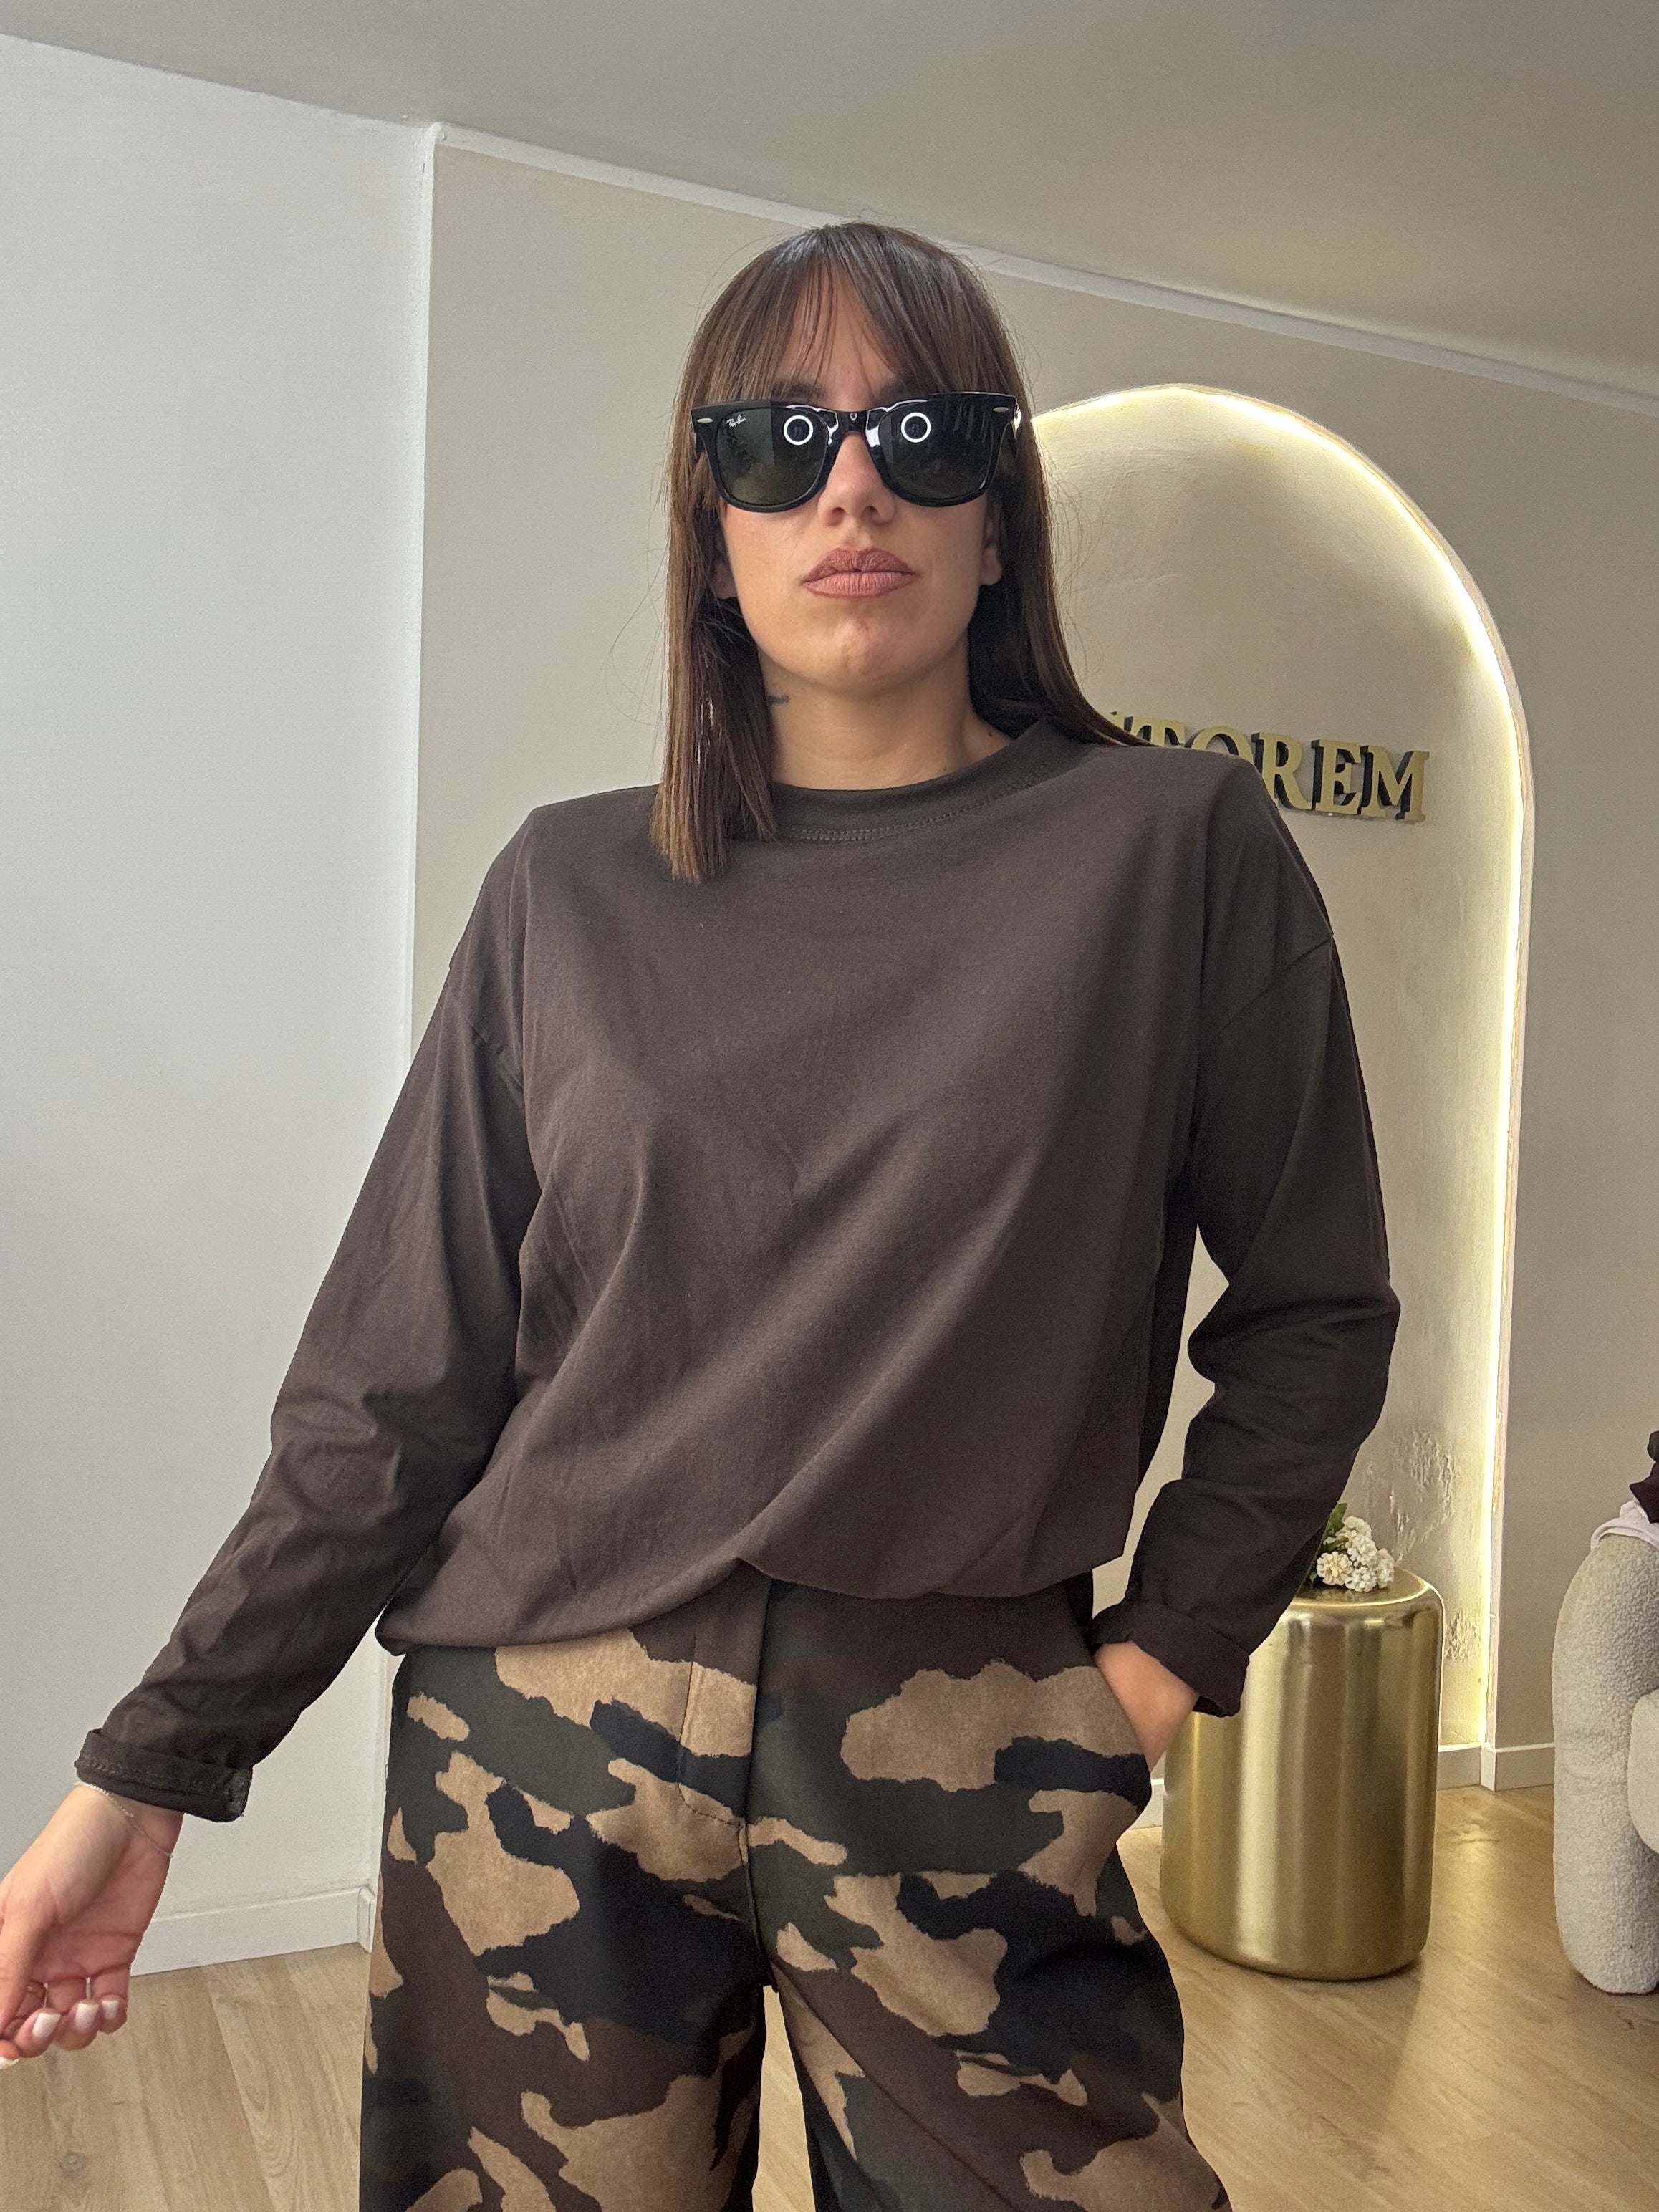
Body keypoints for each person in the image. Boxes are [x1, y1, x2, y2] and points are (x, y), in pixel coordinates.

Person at [0, 219, 1400, 2208]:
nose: (852, 486)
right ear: (708, 528)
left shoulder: (1170, 853)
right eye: (780, 439)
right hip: (530, 1742)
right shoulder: (565, 892)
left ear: (999, 516)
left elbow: (1316, 1309)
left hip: (962, 1738)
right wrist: (148, 1769)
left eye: (922, 433)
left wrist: (1155, 1667)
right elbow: (391, 1392)